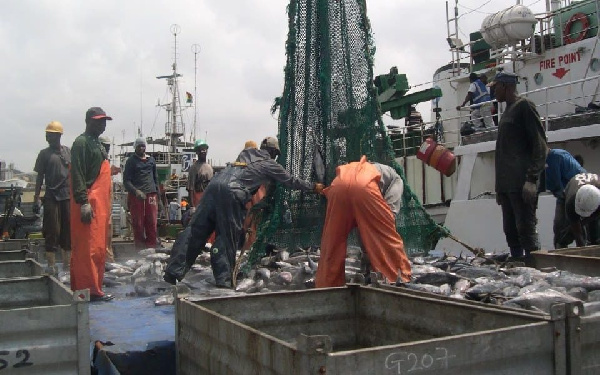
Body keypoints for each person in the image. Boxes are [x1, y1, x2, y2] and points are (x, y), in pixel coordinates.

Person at [164, 136, 325, 287]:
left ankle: (172, 272)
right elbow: (290, 180)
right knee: (226, 237)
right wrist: (312, 187)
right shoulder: (270, 164)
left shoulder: (245, 154)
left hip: (213, 187)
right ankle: (224, 280)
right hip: (232, 192)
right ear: (273, 153)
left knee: (195, 230)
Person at [315, 156, 411, 288]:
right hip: (364, 185)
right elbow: (388, 219)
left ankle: (327, 286)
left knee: (332, 241)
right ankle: (397, 279)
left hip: (337, 186)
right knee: (385, 235)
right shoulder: (397, 180)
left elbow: (363, 224)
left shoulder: (362, 167)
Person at [492, 72, 548, 262]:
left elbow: (540, 144)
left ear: (505, 86)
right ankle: (518, 266)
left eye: (496, 86)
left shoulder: (524, 106)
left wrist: (531, 180)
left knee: (526, 229)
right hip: (507, 186)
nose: (493, 90)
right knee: (510, 230)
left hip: (520, 183)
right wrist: (499, 188)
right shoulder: (506, 112)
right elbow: (503, 153)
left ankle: (534, 267)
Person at [70, 107, 114, 302]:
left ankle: (95, 287)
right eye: (98, 121)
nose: (102, 125)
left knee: (97, 248)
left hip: (100, 204)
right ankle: (85, 290)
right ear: (88, 121)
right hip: (88, 200)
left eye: (104, 121)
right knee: (86, 248)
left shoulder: (97, 143)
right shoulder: (81, 143)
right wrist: (83, 202)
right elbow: (77, 173)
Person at [33, 121, 71, 275]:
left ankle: (67, 267)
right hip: (51, 197)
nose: (47, 137)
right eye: (47, 134)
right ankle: (52, 266)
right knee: (52, 231)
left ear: (58, 136)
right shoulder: (44, 154)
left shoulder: (68, 152)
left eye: (50, 134)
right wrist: (36, 196)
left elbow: (75, 173)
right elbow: (39, 177)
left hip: (66, 196)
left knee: (67, 232)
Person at [123, 137, 160, 250]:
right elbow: (126, 181)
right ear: (135, 147)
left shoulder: (151, 160)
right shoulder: (131, 161)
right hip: (137, 196)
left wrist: (158, 195)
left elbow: (155, 178)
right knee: (138, 223)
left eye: (143, 145)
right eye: (139, 146)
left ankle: (151, 247)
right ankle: (139, 249)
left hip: (151, 194)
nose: (141, 148)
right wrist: (135, 191)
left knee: (152, 222)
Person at [545, 149, 586, 248]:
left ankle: (579, 247)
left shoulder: (555, 157)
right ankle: (563, 247)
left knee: (571, 225)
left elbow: (556, 185)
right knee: (562, 226)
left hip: (574, 192)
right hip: (569, 192)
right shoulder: (557, 156)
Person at [563, 173, 600, 247]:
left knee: (595, 230)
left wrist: (584, 222)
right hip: (569, 192)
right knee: (563, 229)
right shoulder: (570, 202)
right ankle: (561, 245)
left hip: (594, 196)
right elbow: (578, 234)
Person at [187, 139, 213, 209]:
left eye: (204, 149)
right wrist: (192, 206)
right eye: (201, 150)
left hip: (209, 198)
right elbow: (190, 188)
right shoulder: (194, 168)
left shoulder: (209, 167)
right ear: (197, 152)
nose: (203, 152)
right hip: (198, 199)